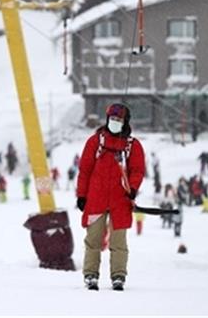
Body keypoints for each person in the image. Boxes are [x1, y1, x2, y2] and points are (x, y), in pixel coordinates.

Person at [76, 103, 145, 291]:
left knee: (118, 242)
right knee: (93, 240)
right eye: (112, 119)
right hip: (95, 199)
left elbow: (137, 170)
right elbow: (85, 170)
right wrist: (81, 195)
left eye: (119, 120)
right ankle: (90, 275)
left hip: (120, 201)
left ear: (125, 122)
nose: (115, 123)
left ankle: (118, 276)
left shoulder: (132, 146)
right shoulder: (95, 142)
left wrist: (132, 187)